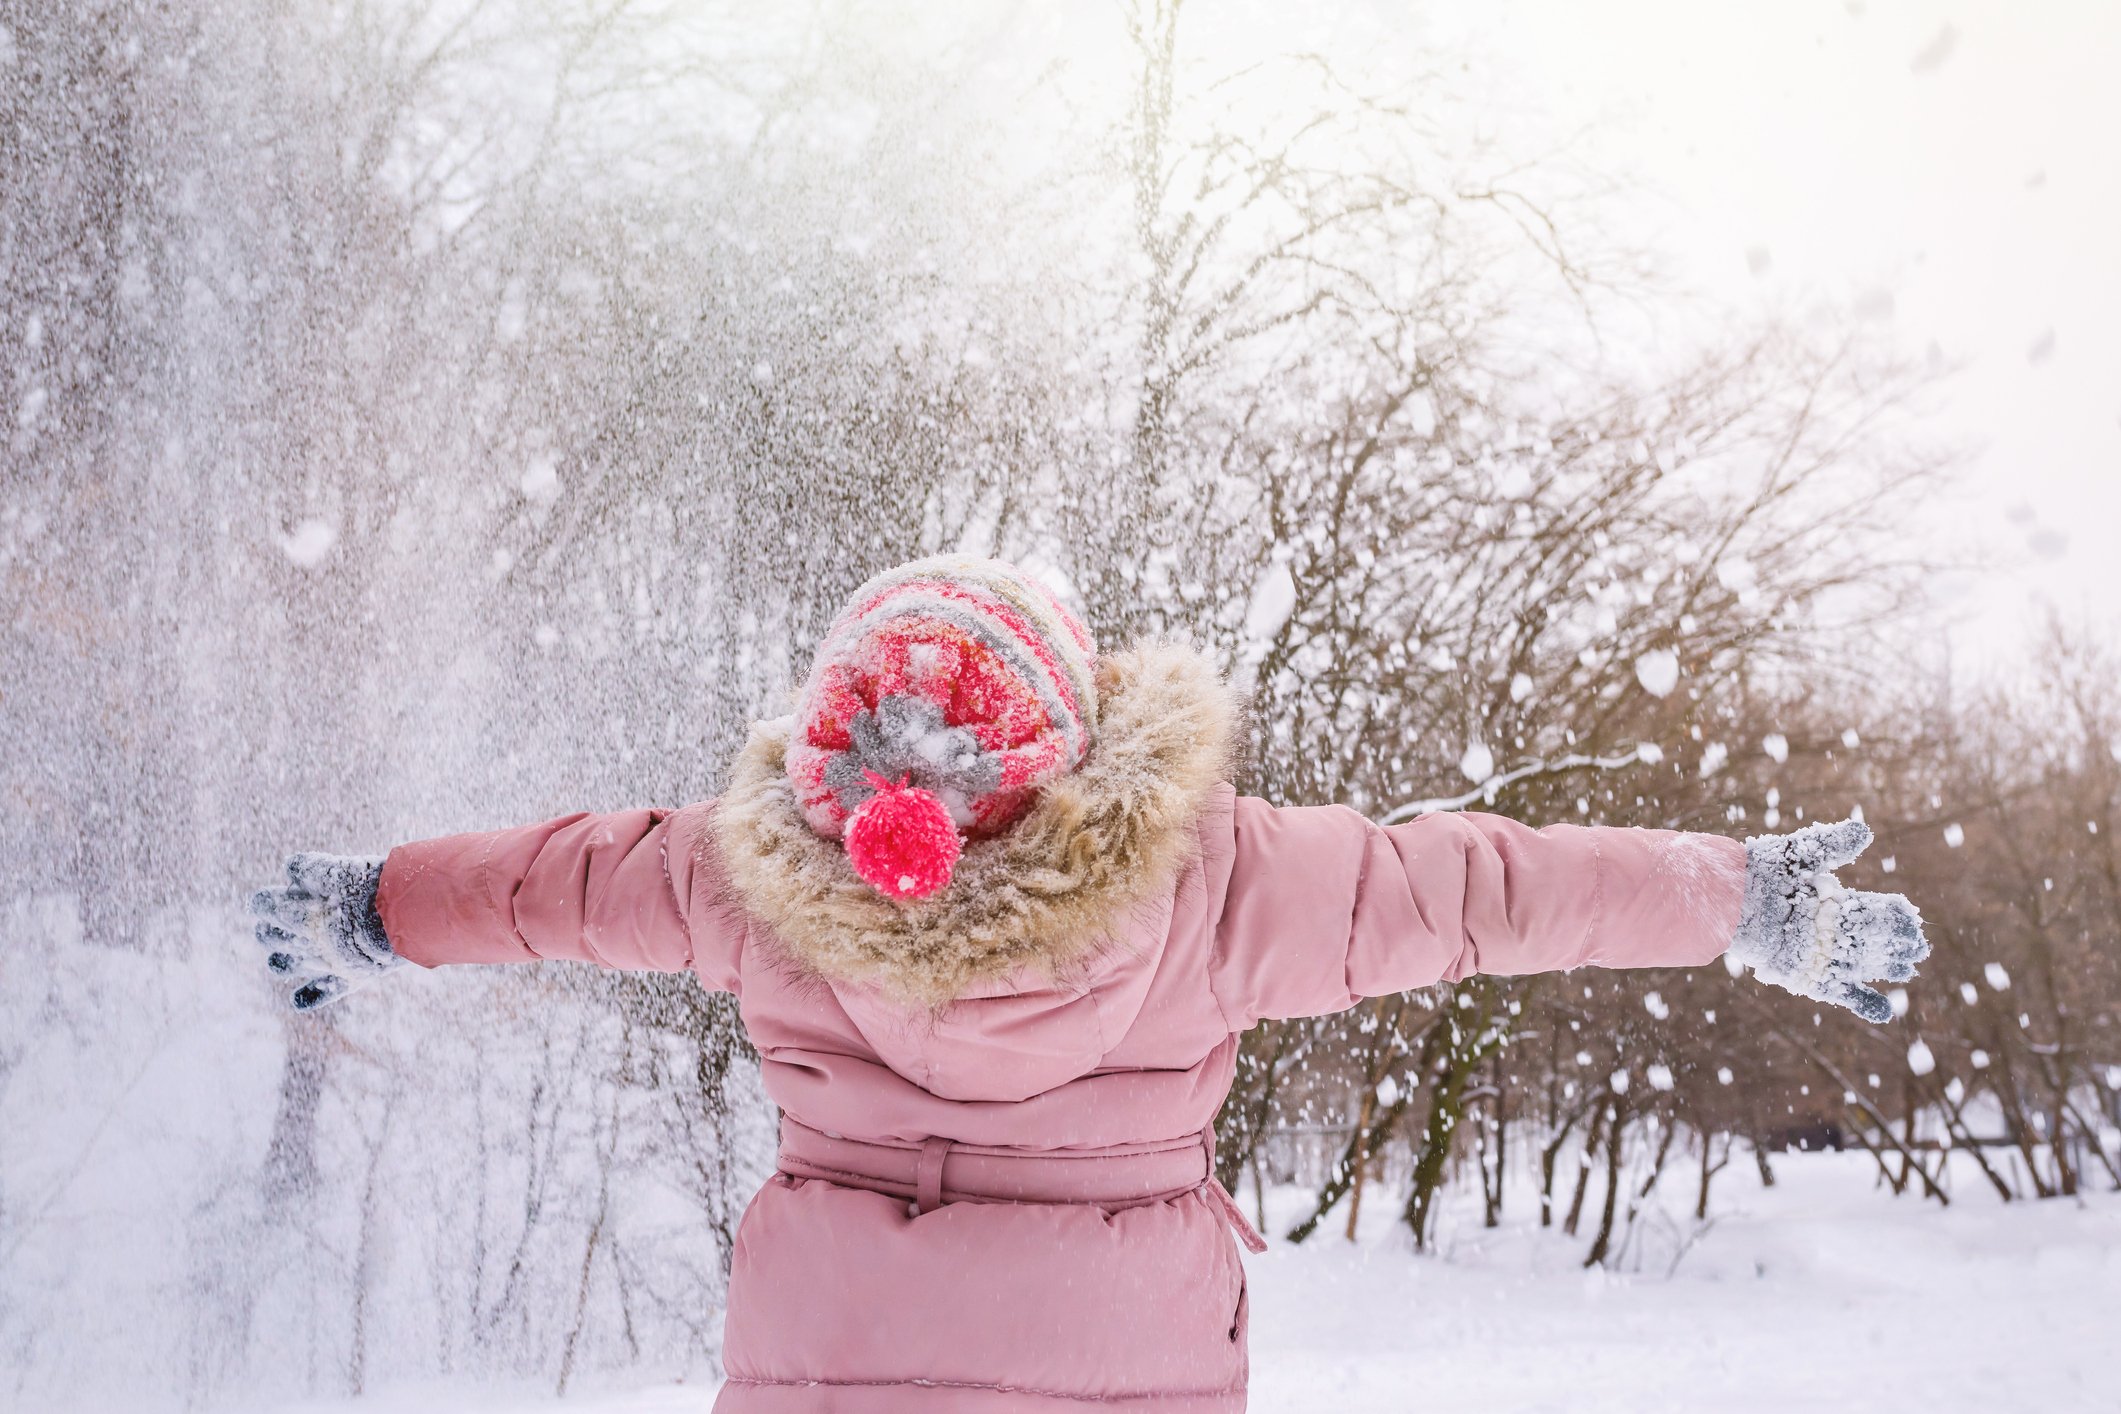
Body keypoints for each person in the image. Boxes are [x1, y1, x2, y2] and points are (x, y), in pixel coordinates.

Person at [249, 555, 1928, 1411]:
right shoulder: (1221, 879)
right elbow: (1488, 889)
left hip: (828, 1358)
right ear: (1071, 737)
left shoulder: (737, 873)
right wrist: (1744, 898)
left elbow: (551, 886)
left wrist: (375, 907)